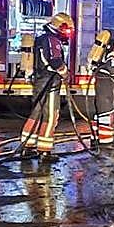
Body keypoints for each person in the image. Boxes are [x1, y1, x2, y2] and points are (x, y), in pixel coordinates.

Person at [21, 12, 73, 160]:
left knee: (36, 114)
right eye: (66, 30)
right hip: (50, 82)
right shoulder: (52, 40)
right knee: (51, 116)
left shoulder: (42, 38)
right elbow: (55, 60)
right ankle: (44, 151)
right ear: (59, 27)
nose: (67, 33)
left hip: (40, 80)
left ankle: (27, 146)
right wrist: (65, 73)